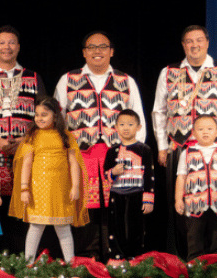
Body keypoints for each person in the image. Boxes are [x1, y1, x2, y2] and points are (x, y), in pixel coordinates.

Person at [150, 25, 217, 257]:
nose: (195, 45)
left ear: (207, 42)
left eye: (199, 40)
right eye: (189, 41)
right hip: (179, 148)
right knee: (182, 209)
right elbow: (159, 112)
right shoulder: (169, 72)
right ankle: (185, 260)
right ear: (183, 45)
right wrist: (162, 146)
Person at [53, 31, 144, 259]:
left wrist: (135, 154)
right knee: (85, 207)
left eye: (103, 46)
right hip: (82, 155)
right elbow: (57, 119)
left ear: (111, 51)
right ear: (84, 52)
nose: (97, 51)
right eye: (91, 47)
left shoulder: (126, 81)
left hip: (118, 155)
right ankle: (87, 258)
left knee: (117, 207)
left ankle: (117, 257)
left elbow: (138, 119)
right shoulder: (68, 79)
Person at [0, 25, 44, 252]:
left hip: (27, 152)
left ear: (18, 47)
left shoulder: (34, 77)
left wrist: (25, 140)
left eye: (11, 42)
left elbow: (46, 114)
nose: (7, 47)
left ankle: (23, 261)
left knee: (25, 205)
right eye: (2, 42)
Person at [10, 97, 87, 262]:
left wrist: (75, 186)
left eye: (44, 114)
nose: (39, 118)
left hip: (61, 189)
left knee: (64, 227)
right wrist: (24, 189)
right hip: (38, 190)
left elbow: (74, 163)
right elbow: (27, 164)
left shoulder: (66, 136)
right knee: (36, 226)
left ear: (56, 116)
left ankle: (70, 264)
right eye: (37, 114)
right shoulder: (33, 136)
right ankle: (28, 264)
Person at [174, 115, 217, 259]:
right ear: (194, 133)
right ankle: (196, 268)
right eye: (200, 129)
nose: (205, 132)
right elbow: (181, 177)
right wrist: (178, 199)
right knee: (194, 239)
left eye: (210, 128)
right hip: (194, 204)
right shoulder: (187, 153)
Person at [103, 109, 155, 260]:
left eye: (130, 124)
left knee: (135, 227)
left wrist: (148, 199)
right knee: (116, 227)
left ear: (138, 127)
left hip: (136, 193)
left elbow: (150, 176)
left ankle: (135, 257)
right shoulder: (112, 151)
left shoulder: (144, 149)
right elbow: (106, 174)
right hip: (117, 194)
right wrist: (113, 171)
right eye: (122, 124)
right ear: (116, 127)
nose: (126, 128)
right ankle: (117, 257)